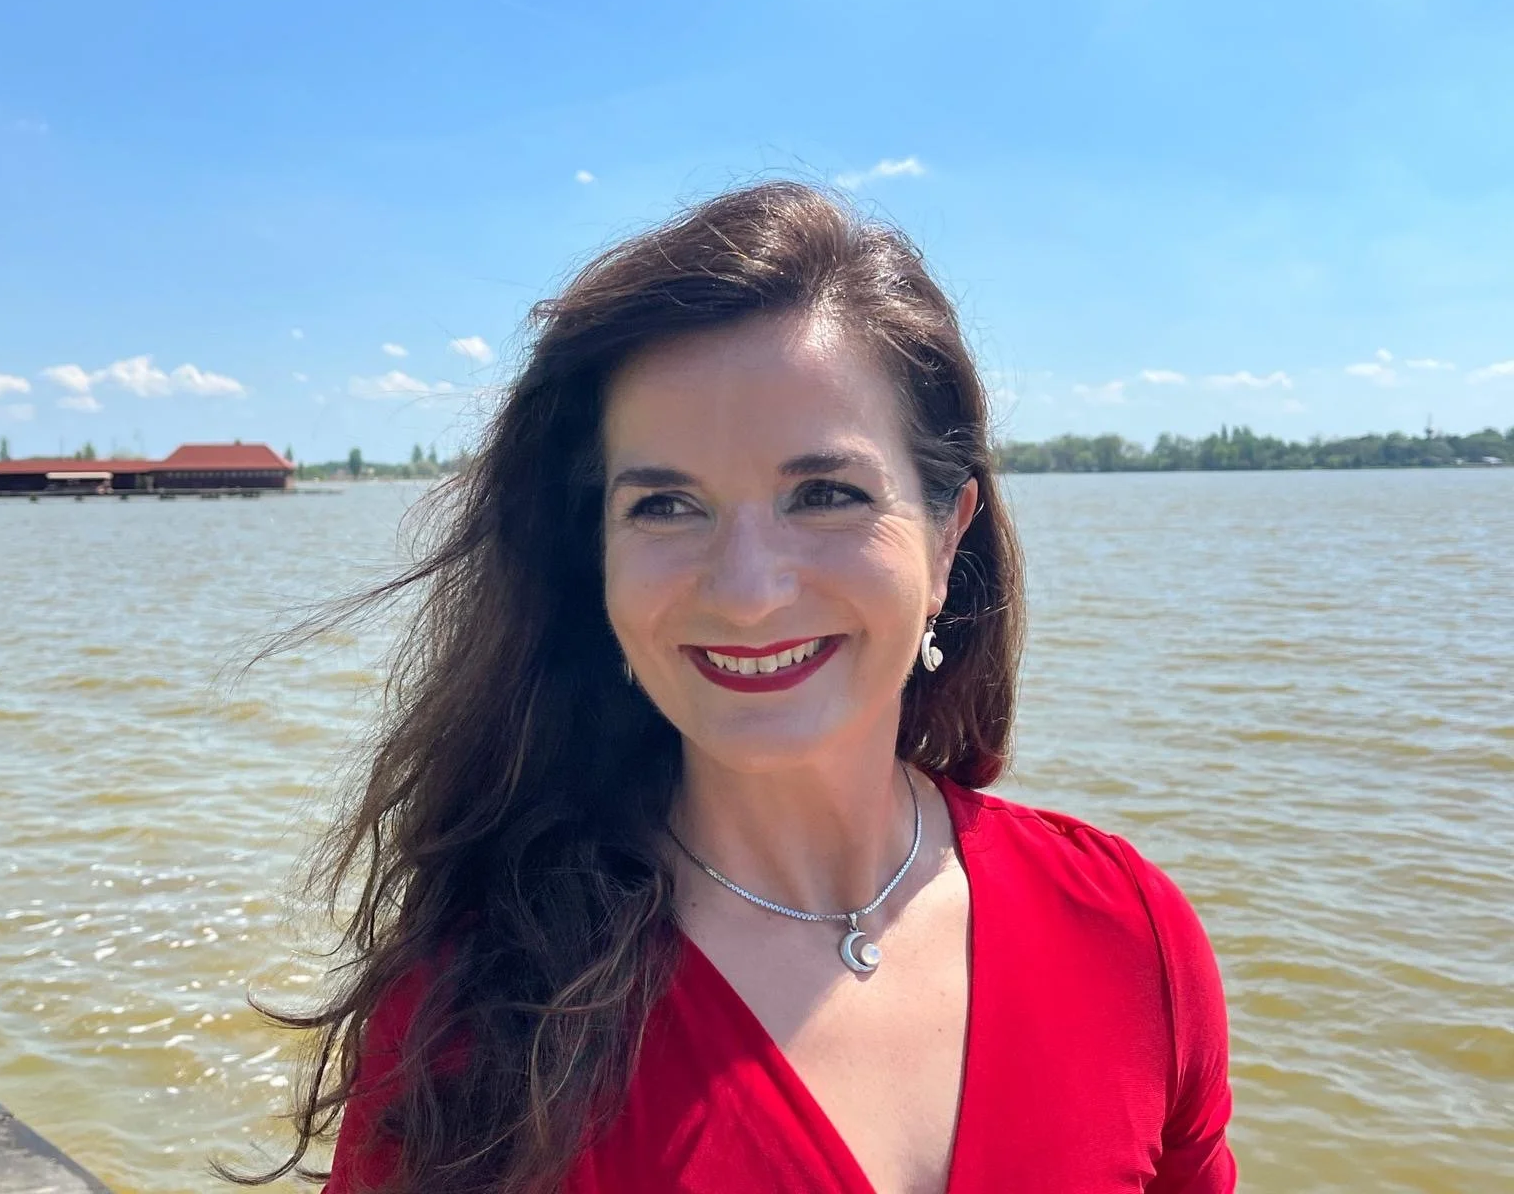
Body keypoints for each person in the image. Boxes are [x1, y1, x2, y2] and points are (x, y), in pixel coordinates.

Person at [244, 181, 1236, 1193]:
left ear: (947, 538)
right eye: (667, 505)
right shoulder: (478, 1024)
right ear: (594, 563)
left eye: (825, 494)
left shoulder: (1130, 936)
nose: (749, 593)